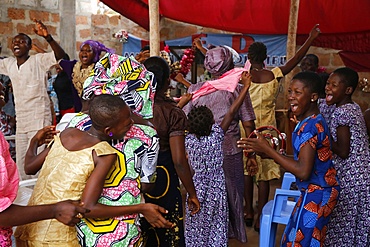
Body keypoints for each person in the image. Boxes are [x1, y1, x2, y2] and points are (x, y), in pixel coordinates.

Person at [15, 94, 172, 246]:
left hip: (29, 225)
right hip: (56, 236)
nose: (132, 123)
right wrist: (141, 208)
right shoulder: (103, 153)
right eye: (127, 124)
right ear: (109, 131)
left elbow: (29, 167)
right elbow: (88, 207)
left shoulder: (68, 133)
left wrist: (35, 141)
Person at [238, 71, 340, 246]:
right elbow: (306, 161)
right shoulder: (313, 120)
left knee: (303, 242)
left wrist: (270, 152)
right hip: (315, 191)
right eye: (290, 92)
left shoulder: (309, 127)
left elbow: (303, 171)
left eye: (298, 93)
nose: (291, 97)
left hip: (317, 194)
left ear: (314, 97)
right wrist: (271, 153)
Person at [242, 24, 321, 232]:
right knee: (265, 174)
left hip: (246, 129)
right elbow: (295, 60)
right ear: (265, 57)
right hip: (268, 132)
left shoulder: (243, 78)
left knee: (247, 171)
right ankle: (260, 217)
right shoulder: (274, 74)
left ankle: (247, 212)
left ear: (249, 58)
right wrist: (310, 39)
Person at [182, 45, 256, 243]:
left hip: (197, 160)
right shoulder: (237, 89)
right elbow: (247, 122)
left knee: (199, 203)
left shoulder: (195, 89)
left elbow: (183, 118)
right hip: (230, 150)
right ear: (230, 64)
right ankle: (227, 236)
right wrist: (252, 155)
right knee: (231, 197)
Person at [0, 85, 88, 247]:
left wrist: (34, 142)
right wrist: (54, 210)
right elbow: (30, 168)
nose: (3, 87)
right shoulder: (65, 141)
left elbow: (29, 167)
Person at [141, 56, 200, 247]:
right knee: (169, 232)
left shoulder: (132, 109)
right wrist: (192, 193)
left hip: (137, 179)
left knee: (143, 231)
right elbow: (179, 160)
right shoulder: (172, 113)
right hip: (164, 178)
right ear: (168, 82)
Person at [0, 19, 67, 180]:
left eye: (22, 41)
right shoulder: (8, 64)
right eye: (15, 41)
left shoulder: (38, 61)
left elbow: (61, 56)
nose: (17, 44)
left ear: (30, 47)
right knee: (23, 165)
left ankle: (38, 200)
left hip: (39, 120)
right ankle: (25, 201)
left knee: (37, 164)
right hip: (22, 122)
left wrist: (48, 37)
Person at [322, 67, 370, 246]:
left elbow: (343, 151)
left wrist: (322, 136)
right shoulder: (353, 107)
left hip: (352, 177)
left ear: (348, 90)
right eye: (327, 83)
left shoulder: (342, 112)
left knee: (344, 224)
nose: (328, 88)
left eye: (334, 85)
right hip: (362, 174)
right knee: (357, 226)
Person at [59, 40, 114, 112]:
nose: (84, 53)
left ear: (95, 54)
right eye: (82, 50)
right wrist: (48, 38)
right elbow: (58, 57)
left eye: (88, 51)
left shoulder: (99, 70)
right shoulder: (73, 67)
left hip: (96, 111)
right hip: (79, 111)